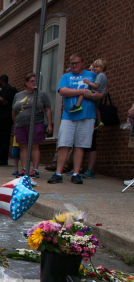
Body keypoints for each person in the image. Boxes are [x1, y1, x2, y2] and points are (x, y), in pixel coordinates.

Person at [49, 54, 99, 185]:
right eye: (71, 64)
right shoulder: (66, 77)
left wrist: (91, 94)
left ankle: (76, 174)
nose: (73, 66)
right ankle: (58, 173)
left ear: (83, 62)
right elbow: (63, 91)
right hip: (68, 115)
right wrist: (82, 92)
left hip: (87, 115)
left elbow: (99, 91)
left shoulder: (92, 76)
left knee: (80, 145)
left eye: (76, 63)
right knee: (63, 143)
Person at [11, 73, 53, 177]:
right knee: (23, 147)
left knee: (35, 146)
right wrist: (15, 123)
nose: (33, 83)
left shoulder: (41, 94)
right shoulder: (18, 95)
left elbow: (47, 109)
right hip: (20, 124)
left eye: (35, 81)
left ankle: (35, 169)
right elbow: (13, 110)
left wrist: (49, 124)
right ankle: (24, 168)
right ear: (26, 82)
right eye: (31, 81)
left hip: (36, 123)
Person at [0, 75, 18, 166]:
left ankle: (3, 159)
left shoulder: (9, 89)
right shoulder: (1, 90)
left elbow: (4, 102)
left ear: (2, 81)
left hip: (5, 119)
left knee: (3, 139)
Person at [73, 59, 107, 127]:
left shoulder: (100, 75)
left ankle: (78, 105)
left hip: (95, 93)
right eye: (94, 67)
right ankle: (99, 121)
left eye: (97, 67)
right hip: (100, 96)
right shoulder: (104, 76)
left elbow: (96, 86)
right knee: (96, 108)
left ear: (102, 67)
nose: (95, 68)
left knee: (82, 92)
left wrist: (88, 83)